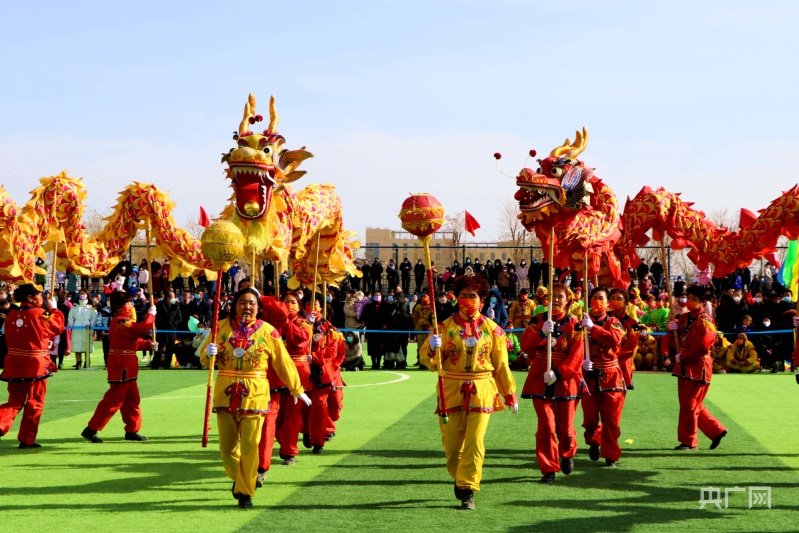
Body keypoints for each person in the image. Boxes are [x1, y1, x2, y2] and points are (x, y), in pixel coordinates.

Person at [199, 288, 308, 508]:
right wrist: (207, 353)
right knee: (227, 450)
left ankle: (246, 492)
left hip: (255, 394)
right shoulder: (220, 327)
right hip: (226, 393)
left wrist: (297, 388)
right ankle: (241, 480)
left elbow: (282, 361)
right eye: (242, 302)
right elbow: (206, 361)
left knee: (250, 447)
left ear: (259, 307)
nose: (247, 307)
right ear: (235, 305)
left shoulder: (268, 331)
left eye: (251, 303)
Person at [419, 275, 517, 511]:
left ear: (482, 300)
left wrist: (509, 393)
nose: (467, 300)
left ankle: (468, 489)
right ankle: (459, 475)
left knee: (475, 441)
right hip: (450, 388)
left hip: (482, 388)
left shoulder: (493, 330)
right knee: (452, 447)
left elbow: (501, 364)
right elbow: (429, 361)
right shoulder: (442, 327)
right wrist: (432, 348)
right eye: (463, 295)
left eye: (472, 296)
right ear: (456, 298)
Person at [520, 283, 584, 483]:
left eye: (560, 296)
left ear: (568, 300)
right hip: (540, 376)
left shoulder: (575, 323)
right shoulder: (538, 320)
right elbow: (526, 347)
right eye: (552, 296)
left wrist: (559, 372)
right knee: (546, 425)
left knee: (565, 427)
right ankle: (548, 468)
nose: (555, 299)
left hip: (565, 380)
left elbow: (577, 354)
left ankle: (567, 452)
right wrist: (540, 333)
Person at [81, 291, 157, 444]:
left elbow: (132, 343)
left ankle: (132, 429)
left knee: (132, 400)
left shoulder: (122, 322)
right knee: (113, 400)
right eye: (129, 303)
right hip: (122, 365)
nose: (131, 306)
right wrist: (151, 315)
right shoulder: (120, 321)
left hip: (128, 366)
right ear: (122, 306)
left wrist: (149, 344)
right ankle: (91, 429)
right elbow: (141, 330)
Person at [0, 284, 65, 448]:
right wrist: (55, 310)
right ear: (30, 297)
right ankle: (27, 439)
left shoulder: (11, 315)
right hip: (35, 364)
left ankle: (1, 423)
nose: (41, 297)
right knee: (35, 402)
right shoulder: (41, 314)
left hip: (14, 363)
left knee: (14, 401)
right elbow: (57, 328)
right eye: (38, 294)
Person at [667, 284, 728, 450]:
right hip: (685, 365)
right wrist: (672, 328)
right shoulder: (685, 318)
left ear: (702, 302)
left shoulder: (706, 322)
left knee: (690, 405)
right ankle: (716, 430)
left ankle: (689, 441)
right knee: (692, 404)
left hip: (698, 366)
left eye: (695, 299)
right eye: (689, 298)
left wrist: (683, 356)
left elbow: (702, 347)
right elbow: (675, 339)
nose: (690, 301)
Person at [580, 287, 626, 467]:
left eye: (601, 299)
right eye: (594, 298)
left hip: (611, 377)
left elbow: (613, 339)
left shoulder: (614, 322)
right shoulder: (583, 322)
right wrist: (581, 363)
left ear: (608, 303)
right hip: (589, 376)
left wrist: (594, 328)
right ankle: (593, 440)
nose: (597, 302)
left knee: (611, 420)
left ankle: (611, 455)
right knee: (590, 419)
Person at [68, 289, 97, 370]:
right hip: (77, 327)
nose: (82, 295)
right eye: (81, 294)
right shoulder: (75, 306)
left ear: (87, 295)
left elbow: (94, 318)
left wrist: (91, 326)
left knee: (86, 345)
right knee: (77, 345)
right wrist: (72, 325)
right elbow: (70, 317)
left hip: (87, 327)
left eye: (84, 294)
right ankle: (78, 362)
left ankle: (87, 361)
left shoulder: (91, 307)